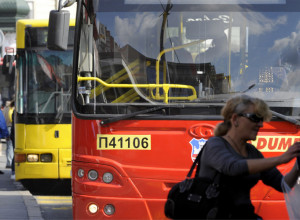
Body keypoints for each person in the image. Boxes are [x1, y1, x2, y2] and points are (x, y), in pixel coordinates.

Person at [199, 94, 300, 219]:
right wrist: (281, 159)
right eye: (255, 118)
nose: (261, 124)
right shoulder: (215, 144)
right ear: (235, 119)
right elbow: (232, 167)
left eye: (262, 119)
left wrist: (297, 164)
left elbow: (282, 184)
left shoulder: (252, 152)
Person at [2, 100, 13, 168]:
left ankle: (8, 162)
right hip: (10, 127)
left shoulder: (5, 109)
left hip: (6, 127)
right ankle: (10, 162)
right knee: (11, 146)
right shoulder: (11, 109)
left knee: (8, 146)